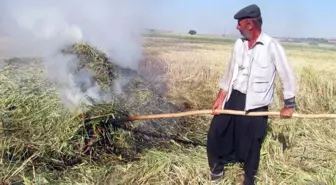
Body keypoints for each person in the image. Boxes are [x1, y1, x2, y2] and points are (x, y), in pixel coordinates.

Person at [206, 4, 297, 185]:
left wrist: (289, 105)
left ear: (250, 25)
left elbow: (287, 74)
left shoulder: (271, 46)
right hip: (234, 98)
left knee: (251, 144)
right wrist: (220, 98)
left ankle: (248, 180)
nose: (237, 27)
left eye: (239, 24)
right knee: (216, 132)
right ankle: (217, 171)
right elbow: (229, 73)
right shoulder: (238, 44)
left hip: (256, 104)